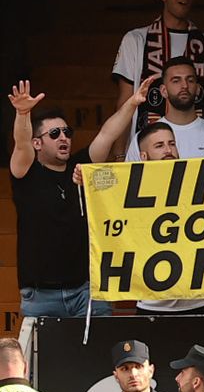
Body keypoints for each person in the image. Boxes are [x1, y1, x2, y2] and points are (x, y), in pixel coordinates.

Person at [8, 80, 148, 318]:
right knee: (46, 357)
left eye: (67, 132)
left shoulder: (81, 167)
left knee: (100, 354)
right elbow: (22, 143)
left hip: (87, 289)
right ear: (37, 143)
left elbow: (108, 133)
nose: (63, 138)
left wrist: (133, 103)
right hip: (41, 295)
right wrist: (23, 113)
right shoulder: (26, 172)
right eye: (54, 133)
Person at [111, 0, 204, 135]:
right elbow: (125, 101)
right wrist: (120, 155)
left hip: (199, 145)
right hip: (147, 145)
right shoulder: (136, 40)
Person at [122, 60, 204, 161]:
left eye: (190, 80)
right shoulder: (143, 139)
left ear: (198, 89)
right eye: (176, 81)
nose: (184, 85)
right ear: (163, 91)